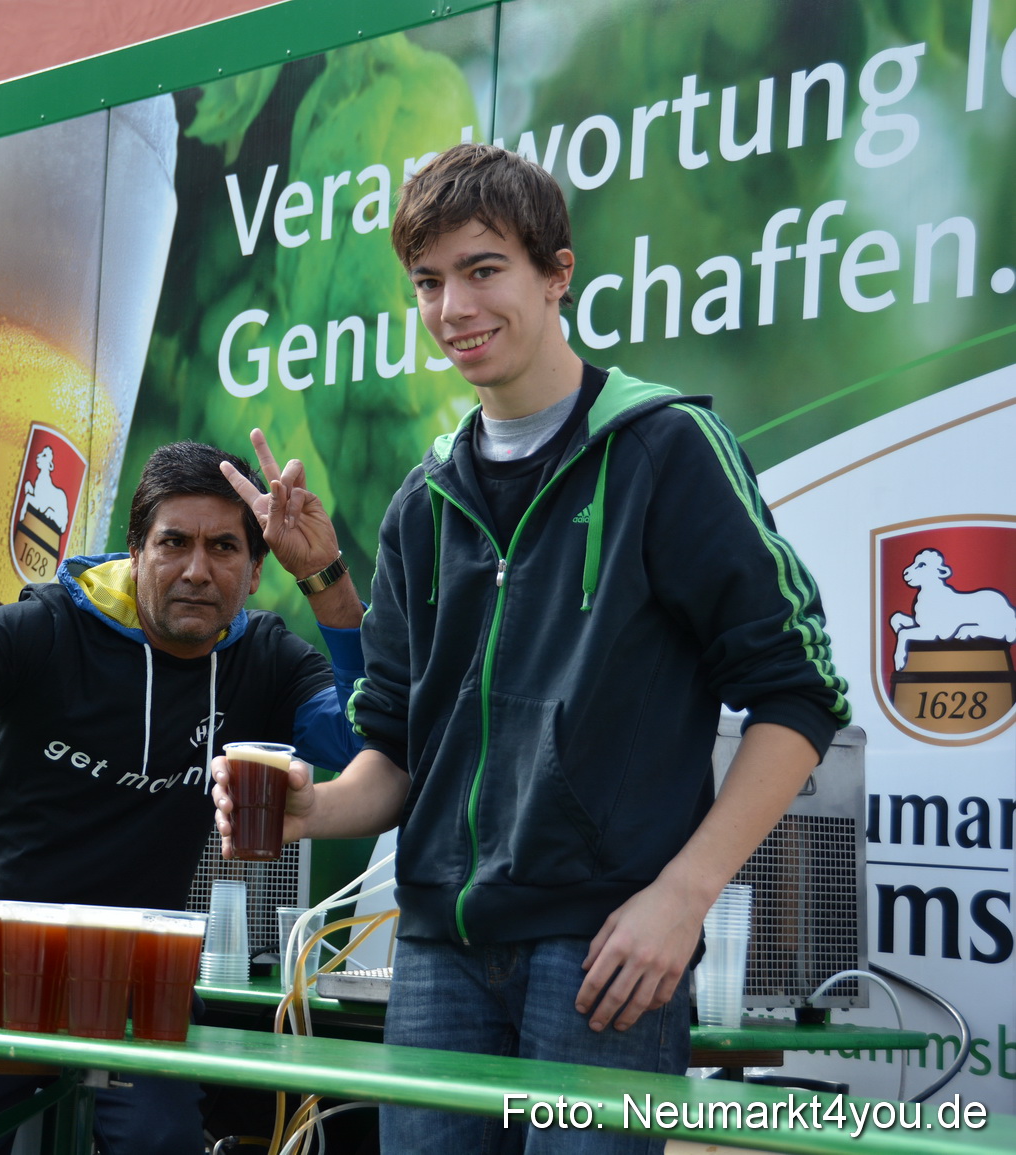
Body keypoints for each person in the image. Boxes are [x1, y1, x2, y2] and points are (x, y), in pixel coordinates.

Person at [212, 143, 852, 1154]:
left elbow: (799, 698)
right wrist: (315, 809)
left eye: (482, 270)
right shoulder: (423, 501)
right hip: (436, 955)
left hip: (606, 950)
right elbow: (399, 756)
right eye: (428, 282)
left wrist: (678, 900)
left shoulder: (664, 449)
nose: (452, 309)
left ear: (556, 274)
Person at [0, 438, 365, 1154]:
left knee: (163, 1142)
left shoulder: (266, 659)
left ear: (253, 573)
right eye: (173, 542)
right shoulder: (49, 624)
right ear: (134, 550)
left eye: (223, 547)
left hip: (135, 978)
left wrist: (324, 578)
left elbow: (358, 736)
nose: (195, 569)